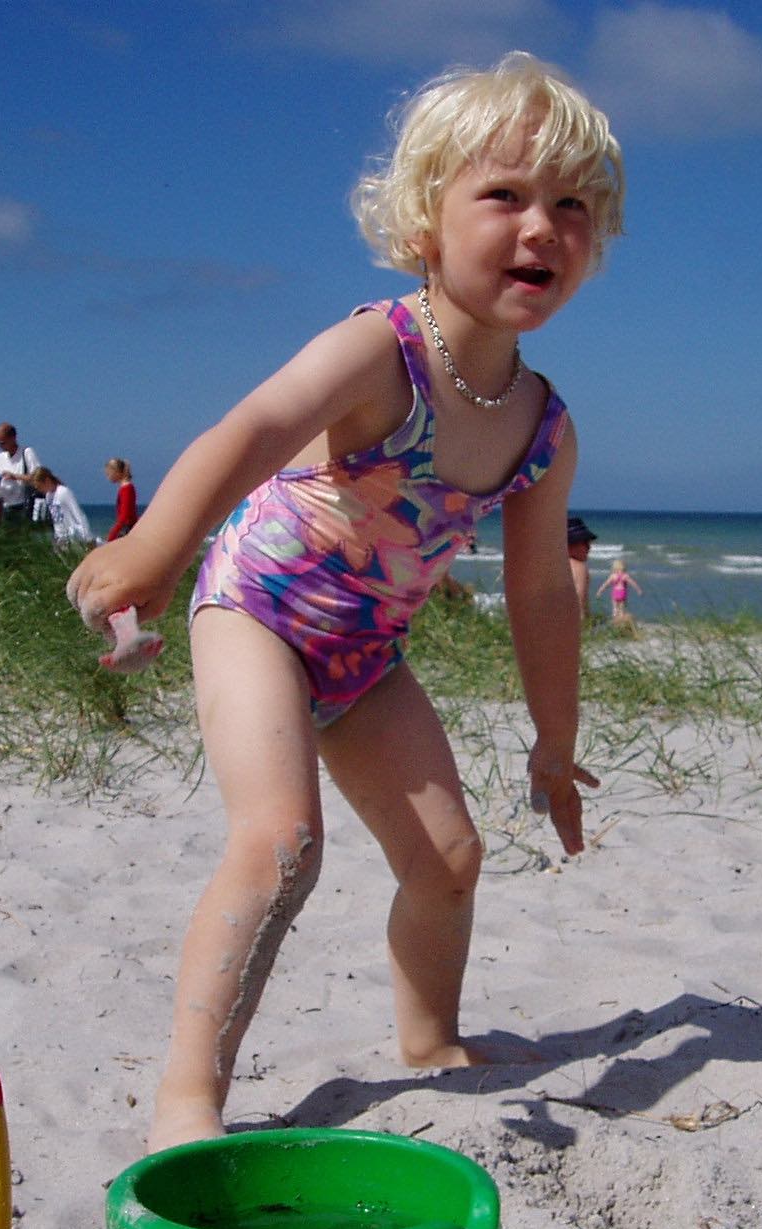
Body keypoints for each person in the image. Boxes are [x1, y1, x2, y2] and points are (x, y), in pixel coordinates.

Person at [65, 52, 624, 1151]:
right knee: (280, 842)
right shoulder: (384, 349)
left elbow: (537, 598)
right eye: (503, 195)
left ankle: (429, 1041)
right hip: (256, 611)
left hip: (364, 652)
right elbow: (253, 429)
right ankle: (189, 1093)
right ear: (425, 220)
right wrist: (155, 545)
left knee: (449, 860)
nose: (540, 227)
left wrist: (553, 746)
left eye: (571, 207)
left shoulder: (542, 425)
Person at [0, 423, 41, 528]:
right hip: (6, 509)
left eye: (3, 443)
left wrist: (15, 476)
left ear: (13, 438)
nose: (0, 446)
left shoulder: (27, 453)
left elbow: (38, 478)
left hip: (25, 507)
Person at [29, 467, 96, 548]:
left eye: (39, 486)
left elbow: (78, 514)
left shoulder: (63, 492)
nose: (38, 490)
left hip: (73, 536)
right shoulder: (48, 496)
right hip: (61, 537)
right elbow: (55, 519)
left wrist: (88, 536)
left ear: (47, 480)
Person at [595, 558, 641, 632]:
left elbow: (606, 584)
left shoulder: (613, 576)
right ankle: (621, 623)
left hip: (615, 593)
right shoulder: (625, 576)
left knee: (615, 608)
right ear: (623, 567)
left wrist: (599, 591)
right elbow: (633, 583)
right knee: (621, 609)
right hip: (622, 593)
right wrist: (638, 590)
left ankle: (615, 622)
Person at [565, 516, 597, 619]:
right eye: (584, 542)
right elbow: (579, 610)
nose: (589, 547)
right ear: (569, 544)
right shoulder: (578, 567)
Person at [105, 458, 141, 540]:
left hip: (127, 529)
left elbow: (125, 515)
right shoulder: (125, 488)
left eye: (108, 474)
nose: (108, 477)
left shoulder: (126, 489)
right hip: (128, 527)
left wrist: (113, 534)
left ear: (116, 472)